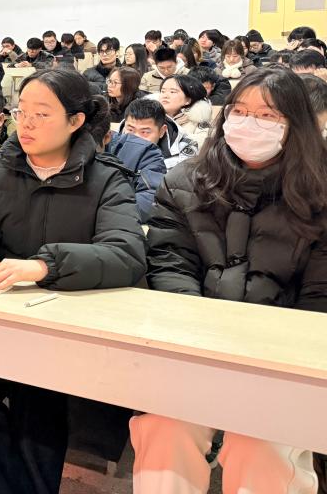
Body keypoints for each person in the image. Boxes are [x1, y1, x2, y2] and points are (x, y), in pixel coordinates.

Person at [0, 69, 146, 494]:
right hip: (2, 315)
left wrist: (45, 267)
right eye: (22, 112)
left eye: (41, 114)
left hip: (70, 326)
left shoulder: (106, 178)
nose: (26, 124)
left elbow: (126, 254)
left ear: (75, 121)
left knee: (40, 397)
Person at [133, 68, 325, 494]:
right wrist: (198, 335)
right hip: (195, 346)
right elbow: (170, 262)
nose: (249, 123)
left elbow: (319, 295)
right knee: (163, 427)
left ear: (296, 125)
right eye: (239, 111)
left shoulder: (320, 192)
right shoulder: (185, 180)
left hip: (283, 359)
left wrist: (276, 358)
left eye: (268, 116)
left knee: (259, 446)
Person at [122, 98, 200, 170]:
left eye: (144, 132)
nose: (136, 138)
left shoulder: (185, 149)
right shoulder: (115, 141)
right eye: (131, 130)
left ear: (162, 131)